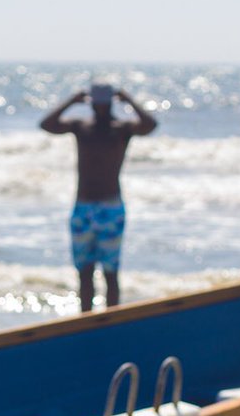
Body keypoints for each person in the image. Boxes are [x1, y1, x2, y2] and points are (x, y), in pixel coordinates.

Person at [40, 82, 158, 311]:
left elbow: (150, 125)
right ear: (92, 103)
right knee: (84, 272)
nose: (100, 109)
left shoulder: (121, 128)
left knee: (111, 273)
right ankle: (87, 320)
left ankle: (111, 321)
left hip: (111, 207)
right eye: (97, 104)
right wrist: (73, 99)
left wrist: (128, 99)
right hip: (83, 206)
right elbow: (47, 124)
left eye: (103, 104)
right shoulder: (82, 126)